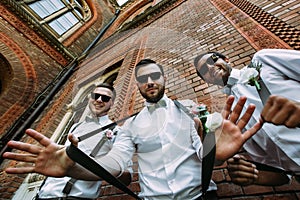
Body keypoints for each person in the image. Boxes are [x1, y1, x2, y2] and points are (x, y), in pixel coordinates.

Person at [3, 59, 262, 200]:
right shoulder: (130, 126)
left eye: (154, 76)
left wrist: (214, 148)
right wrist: (72, 167)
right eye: (142, 78)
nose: (149, 82)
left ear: (163, 79)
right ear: (138, 85)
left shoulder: (190, 111)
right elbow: (115, 166)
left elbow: (204, 152)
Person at [194, 49, 300, 186]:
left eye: (212, 60)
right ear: (207, 80)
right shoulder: (234, 122)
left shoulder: (263, 61)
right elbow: (283, 177)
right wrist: (254, 176)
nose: (209, 67)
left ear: (226, 59)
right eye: (203, 70)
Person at [35, 83, 131, 200]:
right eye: (96, 95)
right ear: (90, 98)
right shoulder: (75, 127)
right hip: (43, 195)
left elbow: (127, 177)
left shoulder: (117, 132)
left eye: (105, 98)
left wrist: (98, 165)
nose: (99, 100)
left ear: (112, 103)